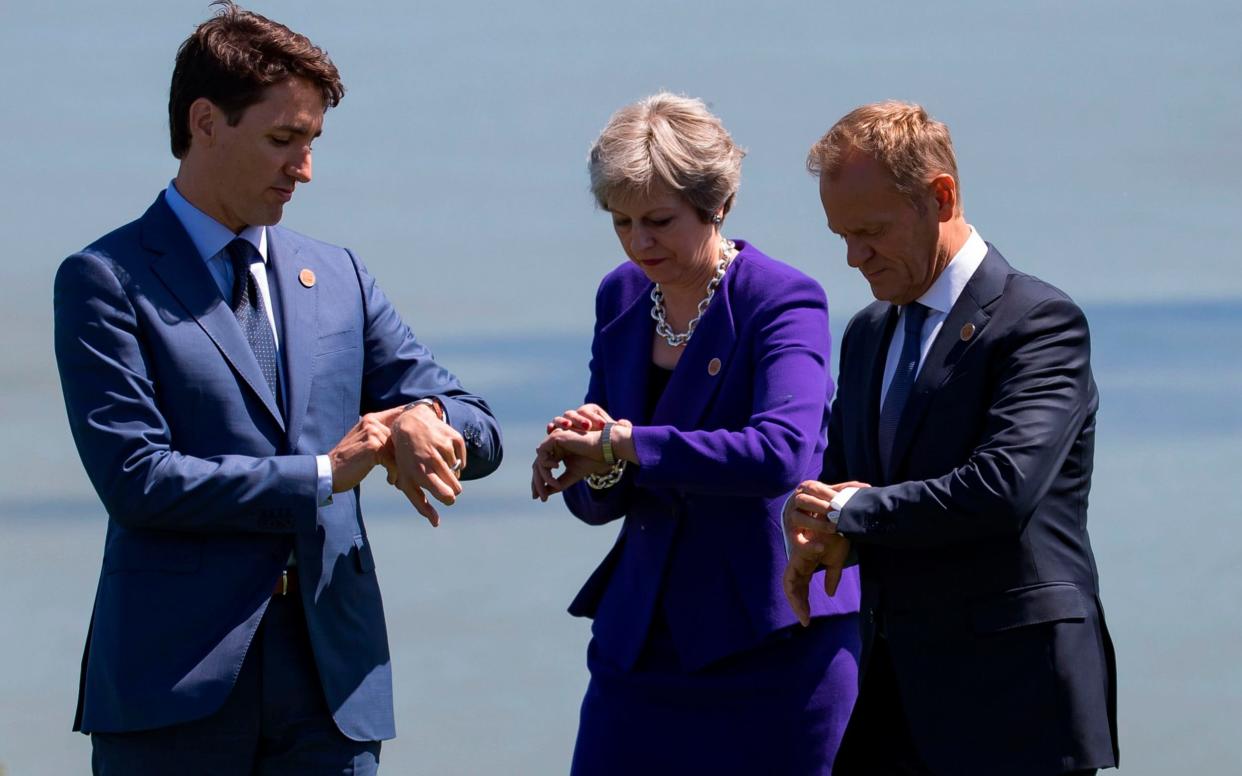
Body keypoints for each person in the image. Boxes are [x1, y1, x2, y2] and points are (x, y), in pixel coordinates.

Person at [52, 3, 502, 773]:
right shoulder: (105, 281)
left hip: (334, 685)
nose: (305, 168)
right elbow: (138, 481)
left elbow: (480, 427)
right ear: (205, 122)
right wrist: (329, 472)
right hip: (174, 688)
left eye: (313, 142)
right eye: (283, 140)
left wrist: (420, 419)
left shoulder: (339, 275)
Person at [783, 101, 1118, 775]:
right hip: (894, 700)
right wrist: (819, 526)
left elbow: (1002, 490)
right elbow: (851, 478)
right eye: (840, 236)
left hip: (1016, 707)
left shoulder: (1039, 322)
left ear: (941, 196)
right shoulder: (869, 333)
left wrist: (851, 510)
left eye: (870, 231)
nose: (853, 257)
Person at [531, 93, 860, 774]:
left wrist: (623, 442)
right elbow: (607, 495)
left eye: (658, 220)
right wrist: (586, 460)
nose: (637, 242)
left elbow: (781, 453)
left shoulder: (783, 299)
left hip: (773, 643)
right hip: (641, 643)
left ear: (717, 206)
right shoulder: (619, 296)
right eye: (620, 221)